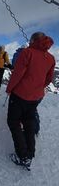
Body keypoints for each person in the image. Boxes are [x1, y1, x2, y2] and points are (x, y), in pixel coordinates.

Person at [6, 32, 55, 170]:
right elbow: (49, 79)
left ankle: (23, 156)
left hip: (20, 94)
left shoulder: (28, 52)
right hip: (36, 96)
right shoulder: (51, 58)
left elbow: (17, 74)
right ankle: (30, 153)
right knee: (29, 122)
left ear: (33, 40)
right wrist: (37, 87)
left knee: (14, 122)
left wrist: (10, 89)